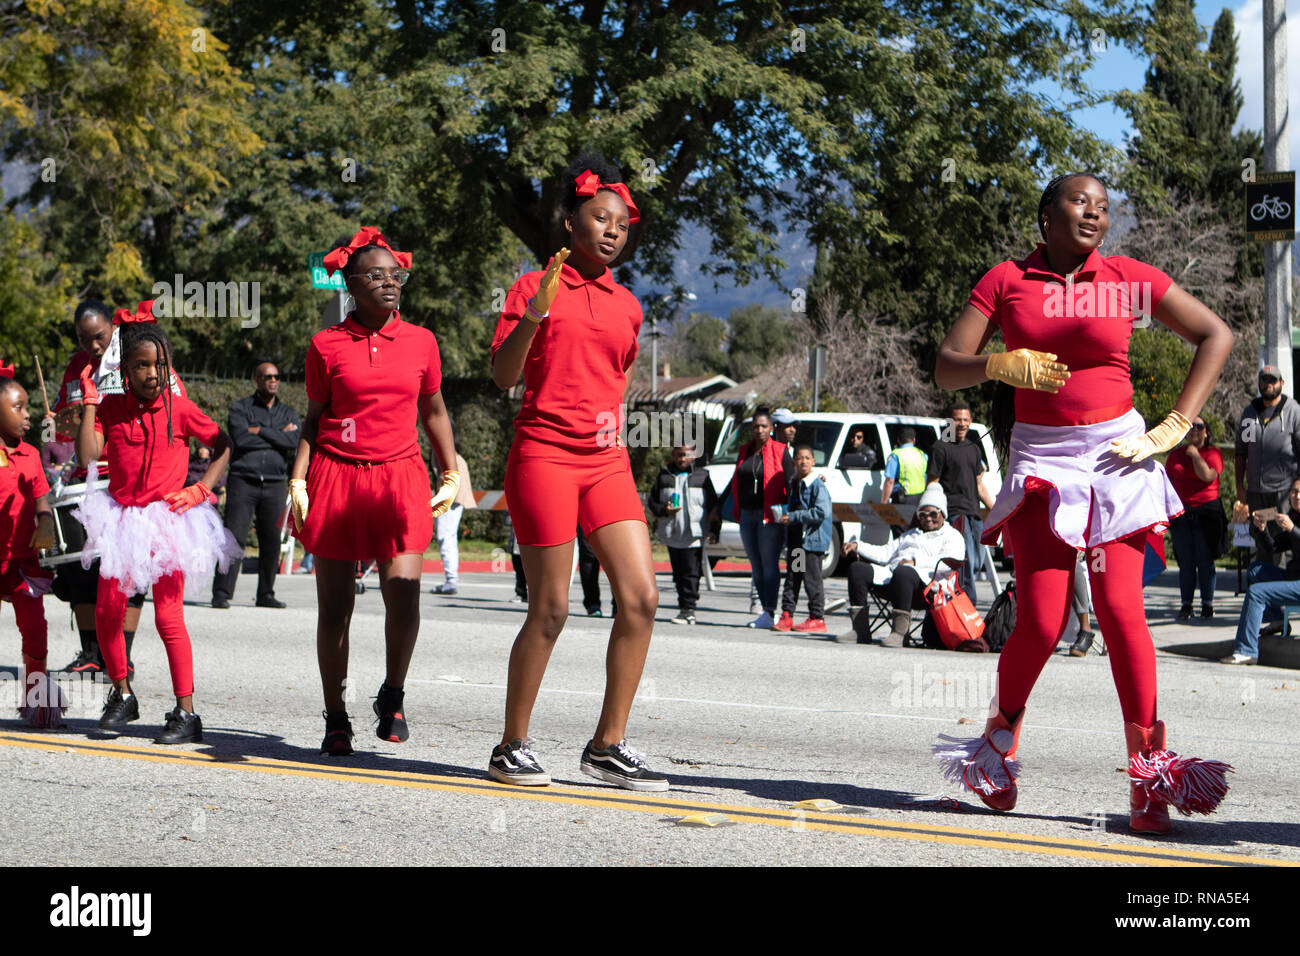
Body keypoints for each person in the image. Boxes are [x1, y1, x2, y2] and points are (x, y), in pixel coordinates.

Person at [932, 171, 1235, 834]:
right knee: (1041, 622)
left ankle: (1149, 778)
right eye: (1080, 202)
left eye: (1103, 206)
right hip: (1043, 458)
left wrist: (1175, 425)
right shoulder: (1006, 279)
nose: (1094, 213)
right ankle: (997, 747)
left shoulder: (1128, 277)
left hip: (1119, 453)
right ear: (1046, 215)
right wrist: (998, 365)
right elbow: (947, 363)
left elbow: (1216, 335)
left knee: (1122, 610)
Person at [488, 152, 667, 791]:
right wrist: (536, 309)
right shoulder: (532, 285)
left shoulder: (629, 306)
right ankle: (512, 744)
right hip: (544, 455)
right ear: (570, 222)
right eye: (600, 218)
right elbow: (504, 376)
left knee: (642, 598)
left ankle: (607, 746)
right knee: (553, 606)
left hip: (606, 460)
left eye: (622, 222)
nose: (614, 230)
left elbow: (609, 383)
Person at [290, 227, 459, 756]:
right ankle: (336, 715)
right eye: (377, 275)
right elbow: (315, 419)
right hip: (337, 475)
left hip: (401, 475)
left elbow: (433, 411)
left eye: (396, 275)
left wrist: (451, 470)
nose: (390, 283)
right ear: (351, 285)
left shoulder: (422, 341)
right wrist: (299, 478)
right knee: (335, 608)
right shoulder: (325, 345)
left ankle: (392, 694)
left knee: (404, 596)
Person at [74, 321, 241, 744]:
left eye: (160, 364)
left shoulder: (181, 409)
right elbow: (88, 456)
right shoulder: (111, 407)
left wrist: (202, 488)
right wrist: (90, 404)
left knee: (169, 617)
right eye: (142, 365)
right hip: (121, 520)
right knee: (107, 613)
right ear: (125, 370)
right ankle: (121, 692)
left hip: (168, 520)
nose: (153, 373)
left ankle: (186, 712)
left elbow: (224, 444)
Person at [47, 301, 187, 680]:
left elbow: (175, 408)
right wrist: (56, 425)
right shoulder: (76, 367)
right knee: (81, 568)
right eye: (82, 339)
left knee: (129, 572)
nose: (92, 346)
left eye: (99, 336)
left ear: (112, 327)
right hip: (84, 474)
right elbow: (66, 420)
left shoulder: (137, 356)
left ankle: (121, 656)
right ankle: (92, 651)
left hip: (127, 479)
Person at [0, 367, 64, 727]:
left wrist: (43, 522)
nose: (28, 415)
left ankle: (35, 698)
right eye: (18, 407)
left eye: (27, 407)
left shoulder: (31, 455)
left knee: (35, 628)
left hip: (23, 559)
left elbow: (42, 499)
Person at [212, 362, 300, 609]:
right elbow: (240, 437)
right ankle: (221, 592)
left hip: (274, 483)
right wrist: (276, 435)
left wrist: (260, 430)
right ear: (257, 380)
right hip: (243, 480)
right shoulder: (240, 408)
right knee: (234, 538)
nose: (273, 380)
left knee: (271, 540)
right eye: (267, 376)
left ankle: (266, 594)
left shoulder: (289, 412)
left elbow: (293, 440)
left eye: (276, 377)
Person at [837, 484, 964, 646]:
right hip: (895, 577)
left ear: (943, 514)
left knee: (904, 572)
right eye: (923, 515)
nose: (928, 518)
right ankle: (860, 630)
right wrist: (858, 545)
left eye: (933, 513)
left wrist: (916, 562)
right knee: (857, 569)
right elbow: (885, 553)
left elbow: (952, 561)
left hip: (929, 584)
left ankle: (899, 633)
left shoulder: (952, 536)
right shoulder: (911, 535)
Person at [1222, 476, 1300, 664]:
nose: (1297, 496)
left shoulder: (1293, 522)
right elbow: (1274, 547)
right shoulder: (1295, 516)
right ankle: (1278, 620)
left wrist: (1292, 529)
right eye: (1294, 492)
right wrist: (1262, 530)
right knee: (1256, 570)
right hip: (1293, 578)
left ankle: (1246, 650)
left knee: (1256, 593)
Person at [731, 409, 795, 629]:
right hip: (747, 515)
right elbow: (736, 480)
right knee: (756, 566)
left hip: (770, 516)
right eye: (756, 426)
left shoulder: (780, 450)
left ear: (771, 428)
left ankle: (770, 610)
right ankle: (766, 612)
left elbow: (791, 480)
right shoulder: (744, 451)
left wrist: (790, 511)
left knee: (769, 565)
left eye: (763, 426)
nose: (759, 430)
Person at [927, 402, 996, 602]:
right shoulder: (941, 447)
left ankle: (963, 600)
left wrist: (995, 509)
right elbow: (932, 483)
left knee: (976, 563)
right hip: (956, 514)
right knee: (965, 564)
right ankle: (968, 607)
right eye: (957, 419)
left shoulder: (973, 449)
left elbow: (979, 484)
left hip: (975, 514)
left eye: (965, 419)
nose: (962, 423)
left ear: (971, 421)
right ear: (950, 421)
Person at [647, 443, 719, 625]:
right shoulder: (664, 476)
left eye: (686, 455)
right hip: (672, 533)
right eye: (678, 455)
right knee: (679, 573)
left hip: (694, 534)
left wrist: (714, 530)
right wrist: (665, 510)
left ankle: (689, 608)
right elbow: (652, 502)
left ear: (693, 456)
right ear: (673, 455)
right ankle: (684, 607)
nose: (682, 459)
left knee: (691, 572)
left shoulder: (702, 477)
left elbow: (713, 506)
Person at [1233, 365, 1300, 556]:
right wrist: (1240, 486)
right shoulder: (1249, 412)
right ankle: (1262, 582)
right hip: (1256, 492)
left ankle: (1284, 583)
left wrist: (1298, 483)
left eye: (1273, 380)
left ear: (1282, 383)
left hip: (1283, 493)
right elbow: (1241, 452)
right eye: (1264, 380)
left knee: (1283, 542)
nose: (1268, 384)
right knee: (1260, 539)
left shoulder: (1294, 411)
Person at [1166, 416, 1225, 620]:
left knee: (1205, 560)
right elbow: (1168, 482)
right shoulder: (1175, 455)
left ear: (1206, 432)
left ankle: (1207, 604)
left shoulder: (1213, 453)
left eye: (1199, 426)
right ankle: (1186, 605)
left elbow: (1207, 476)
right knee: (1186, 562)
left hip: (1207, 513)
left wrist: (1195, 455)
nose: (1195, 430)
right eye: (1190, 427)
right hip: (1182, 513)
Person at [777, 445, 833, 632]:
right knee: (793, 577)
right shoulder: (795, 483)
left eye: (808, 458)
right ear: (794, 461)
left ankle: (817, 617)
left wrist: (793, 517)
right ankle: (787, 614)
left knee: (812, 580)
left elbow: (821, 512)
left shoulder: (817, 485)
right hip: (798, 542)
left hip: (812, 542)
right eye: (800, 458)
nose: (803, 462)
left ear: (813, 462)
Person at [430, 444, 475, 595]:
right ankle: (451, 579)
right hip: (455, 499)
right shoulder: (455, 455)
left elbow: (445, 477)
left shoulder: (445, 454)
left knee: (445, 538)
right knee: (449, 538)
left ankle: (451, 580)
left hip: (450, 499)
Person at [881, 427, 927, 505]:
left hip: (902, 498)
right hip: (920, 497)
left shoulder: (896, 455)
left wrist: (884, 502)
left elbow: (890, 481)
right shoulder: (922, 455)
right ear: (914, 440)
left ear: (898, 440)